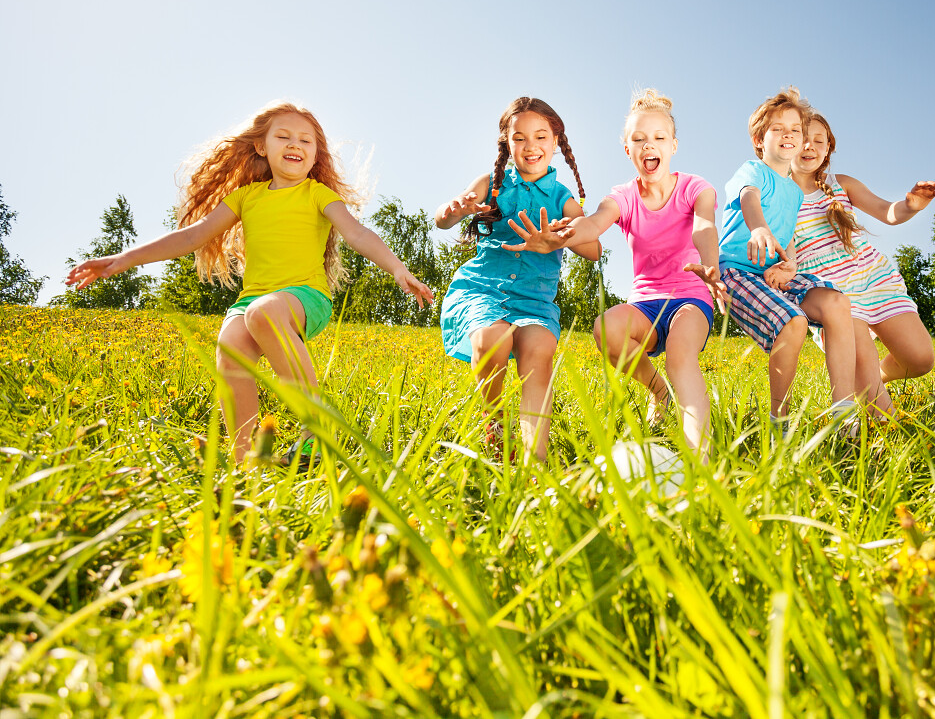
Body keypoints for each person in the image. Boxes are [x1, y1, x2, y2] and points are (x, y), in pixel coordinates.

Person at [66, 101, 432, 465]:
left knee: (263, 313)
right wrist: (123, 259)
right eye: (284, 136)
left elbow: (358, 234)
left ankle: (316, 430)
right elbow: (191, 237)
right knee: (230, 344)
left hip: (306, 297)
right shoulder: (246, 197)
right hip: (254, 300)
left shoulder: (317, 194)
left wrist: (397, 268)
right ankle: (245, 461)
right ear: (262, 146)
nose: (295, 145)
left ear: (316, 153)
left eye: (306, 141)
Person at [517, 89, 730, 461]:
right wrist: (558, 238)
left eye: (659, 138)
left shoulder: (695, 187)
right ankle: (658, 391)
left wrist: (710, 265)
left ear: (674, 145)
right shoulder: (625, 195)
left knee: (681, 355)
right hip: (645, 305)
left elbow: (704, 225)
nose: (650, 145)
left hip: (690, 298)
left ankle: (701, 458)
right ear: (627, 149)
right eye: (639, 139)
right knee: (605, 328)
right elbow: (595, 223)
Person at [435, 97, 599, 464]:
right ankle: (494, 427)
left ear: (555, 142)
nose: (531, 146)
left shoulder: (562, 198)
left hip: (534, 301)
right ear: (507, 143)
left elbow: (594, 249)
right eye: (520, 138)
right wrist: (452, 212)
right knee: (491, 338)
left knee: (539, 349)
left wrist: (558, 240)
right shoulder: (491, 183)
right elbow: (442, 220)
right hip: (481, 290)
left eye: (541, 137)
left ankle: (533, 460)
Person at [717, 87, 861, 430]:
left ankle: (843, 414)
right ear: (759, 139)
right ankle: (778, 424)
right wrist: (759, 230)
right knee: (793, 322)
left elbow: (789, 236)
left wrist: (791, 263)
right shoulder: (752, 170)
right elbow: (749, 199)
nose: (788, 135)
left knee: (838, 303)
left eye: (795, 129)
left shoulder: (794, 192)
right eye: (778, 129)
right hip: (738, 272)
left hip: (774, 272)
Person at [790, 112, 935, 415]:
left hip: (872, 277)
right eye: (801, 138)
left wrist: (911, 205)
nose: (809, 145)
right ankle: (884, 427)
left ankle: (875, 379)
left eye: (818, 140)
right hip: (830, 290)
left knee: (919, 359)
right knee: (865, 366)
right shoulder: (778, 193)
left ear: (827, 149)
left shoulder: (841, 184)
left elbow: (888, 211)